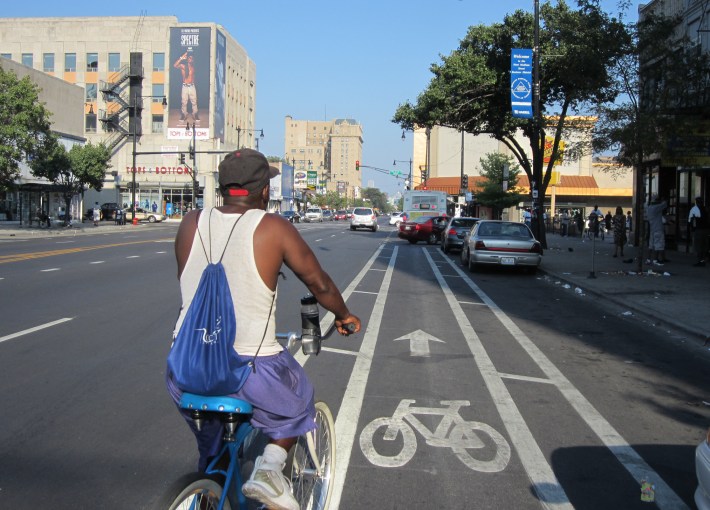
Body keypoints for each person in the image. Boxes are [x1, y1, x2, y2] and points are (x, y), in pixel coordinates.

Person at [167, 148, 361, 510]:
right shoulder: (273, 227)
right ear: (265, 192)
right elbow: (319, 285)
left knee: (212, 452)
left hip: (185, 367)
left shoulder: (190, 223)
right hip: (249, 369)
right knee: (299, 395)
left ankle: (208, 489)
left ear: (223, 187)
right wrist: (344, 315)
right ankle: (270, 471)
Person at [174, 49, 199, 122]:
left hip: (192, 86)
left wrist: (194, 84)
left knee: (194, 101)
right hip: (185, 86)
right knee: (184, 101)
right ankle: (184, 114)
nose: (190, 59)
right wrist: (181, 58)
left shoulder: (193, 67)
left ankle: (195, 114)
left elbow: (194, 77)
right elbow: (175, 65)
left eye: (192, 58)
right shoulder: (183, 66)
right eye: (189, 58)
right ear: (187, 59)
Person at [645, 194, 668, 265]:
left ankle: (648, 259)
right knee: (659, 245)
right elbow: (665, 204)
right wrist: (663, 200)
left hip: (652, 229)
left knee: (651, 245)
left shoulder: (649, 208)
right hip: (658, 229)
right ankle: (655, 260)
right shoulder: (657, 207)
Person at [688, 196, 709, 267]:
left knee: (699, 246)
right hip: (706, 230)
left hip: (699, 230)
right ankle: (704, 260)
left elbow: (691, 220)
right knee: (704, 246)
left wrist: (692, 228)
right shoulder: (706, 209)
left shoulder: (695, 209)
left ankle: (700, 261)